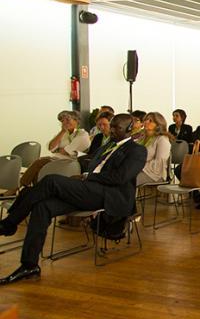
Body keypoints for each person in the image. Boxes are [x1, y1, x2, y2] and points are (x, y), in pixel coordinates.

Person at [0, 114, 146, 284]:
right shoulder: (108, 145)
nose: (112, 130)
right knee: (43, 206)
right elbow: (91, 163)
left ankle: (9, 223)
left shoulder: (137, 150)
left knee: (51, 181)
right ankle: (29, 265)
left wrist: (87, 176)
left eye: (117, 128)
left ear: (129, 129)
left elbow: (120, 177)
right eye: (111, 126)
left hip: (110, 195)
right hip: (90, 189)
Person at [19, 110, 91, 188]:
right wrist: (62, 132)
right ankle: (33, 189)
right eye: (62, 121)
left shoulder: (83, 134)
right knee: (38, 169)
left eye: (67, 120)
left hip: (69, 162)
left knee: (39, 162)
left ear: (76, 121)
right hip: (57, 159)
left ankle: (20, 186)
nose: (65, 123)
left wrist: (59, 150)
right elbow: (51, 148)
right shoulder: (63, 134)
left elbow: (66, 151)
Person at [136, 112, 173, 186]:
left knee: (126, 180)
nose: (146, 122)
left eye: (150, 121)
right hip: (137, 169)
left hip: (154, 174)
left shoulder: (162, 139)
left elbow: (159, 164)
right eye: (146, 119)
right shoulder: (141, 138)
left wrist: (137, 166)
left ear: (158, 124)